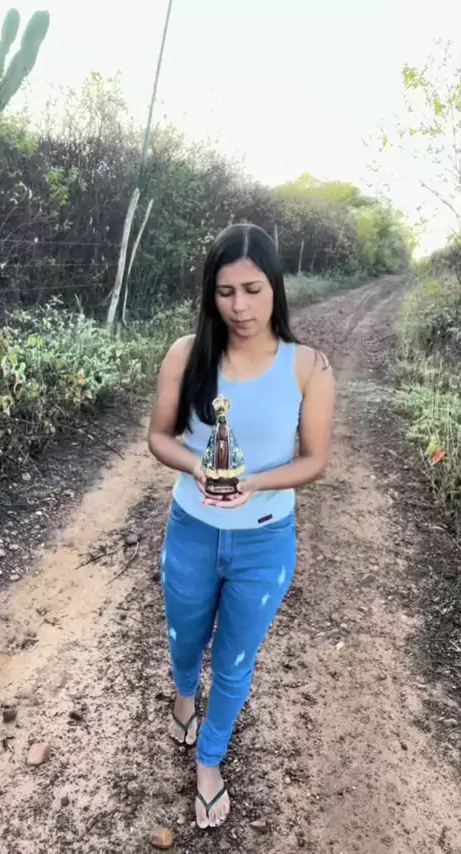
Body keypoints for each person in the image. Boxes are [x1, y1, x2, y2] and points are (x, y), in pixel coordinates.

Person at [148, 223, 335, 830]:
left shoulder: (308, 367)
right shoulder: (187, 354)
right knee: (184, 639)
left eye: (253, 290)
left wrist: (254, 482)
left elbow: (315, 460)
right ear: (211, 293)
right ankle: (183, 697)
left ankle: (209, 761)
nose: (240, 307)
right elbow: (159, 436)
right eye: (226, 292)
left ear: (275, 288)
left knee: (234, 660)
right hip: (192, 531)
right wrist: (196, 465)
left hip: (264, 542)